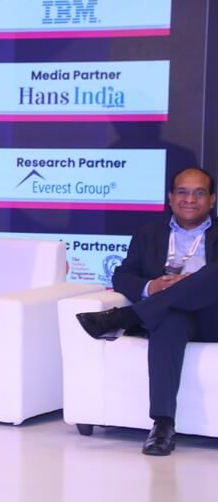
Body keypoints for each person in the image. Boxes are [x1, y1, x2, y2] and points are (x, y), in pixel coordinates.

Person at [76, 167, 218, 456]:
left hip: (212, 317)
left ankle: (127, 317)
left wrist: (189, 283)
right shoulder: (148, 233)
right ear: (170, 197)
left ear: (212, 200)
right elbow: (122, 275)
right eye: (183, 192)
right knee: (169, 321)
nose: (190, 199)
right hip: (170, 316)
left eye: (199, 193)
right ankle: (162, 425)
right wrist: (152, 287)